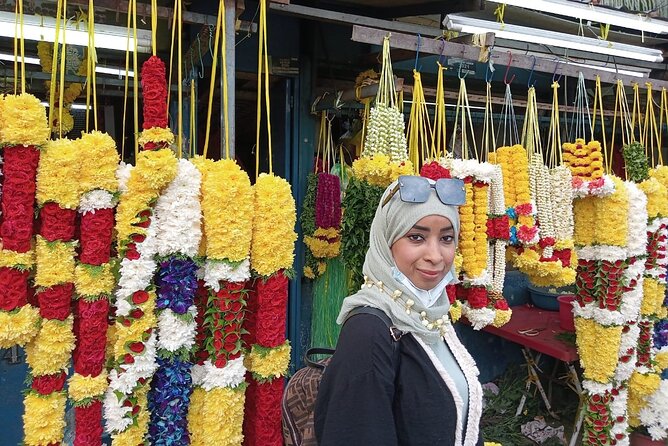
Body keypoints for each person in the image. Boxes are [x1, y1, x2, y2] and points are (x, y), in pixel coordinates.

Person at [314, 176, 484, 446]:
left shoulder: (431, 314)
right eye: (416, 237)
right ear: (386, 240)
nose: (436, 256)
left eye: (447, 238)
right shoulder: (369, 332)